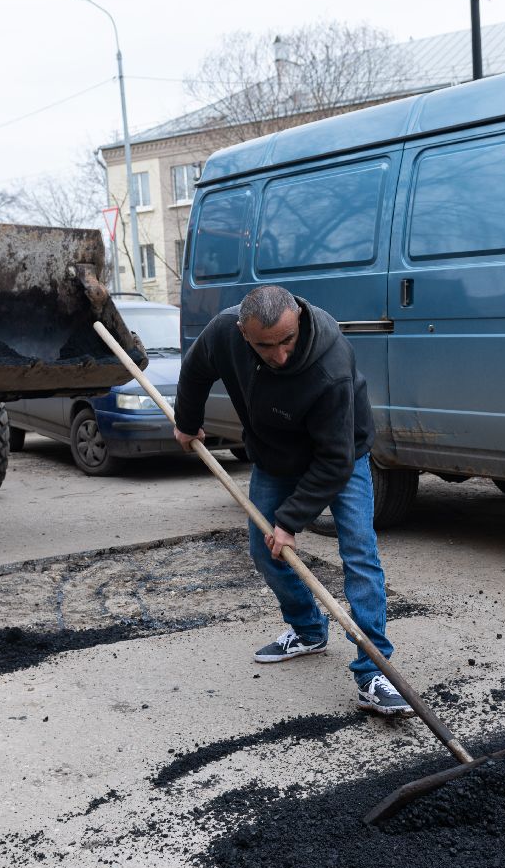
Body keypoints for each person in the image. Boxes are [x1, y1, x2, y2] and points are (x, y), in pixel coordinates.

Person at [172, 284, 410, 716]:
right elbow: (196, 369)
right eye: (266, 346)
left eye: (287, 341)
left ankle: (375, 673)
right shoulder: (224, 331)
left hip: (341, 455)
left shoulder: (330, 363)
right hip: (273, 455)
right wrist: (187, 423)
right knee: (265, 553)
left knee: (359, 552)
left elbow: (334, 461)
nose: (280, 355)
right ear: (244, 334)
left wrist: (290, 522)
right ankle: (307, 630)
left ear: (297, 321)